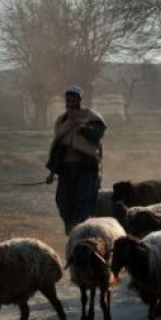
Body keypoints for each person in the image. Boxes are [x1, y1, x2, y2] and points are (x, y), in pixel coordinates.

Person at [45, 85, 107, 235]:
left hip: (86, 168)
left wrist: (82, 127)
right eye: (68, 99)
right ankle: (71, 231)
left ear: (80, 99)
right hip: (66, 169)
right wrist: (52, 172)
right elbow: (58, 146)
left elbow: (97, 136)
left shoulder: (91, 117)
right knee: (63, 202)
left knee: (84, 201)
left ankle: (81, 233)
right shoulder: (61, 121)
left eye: (73, 98)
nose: (70, 102)